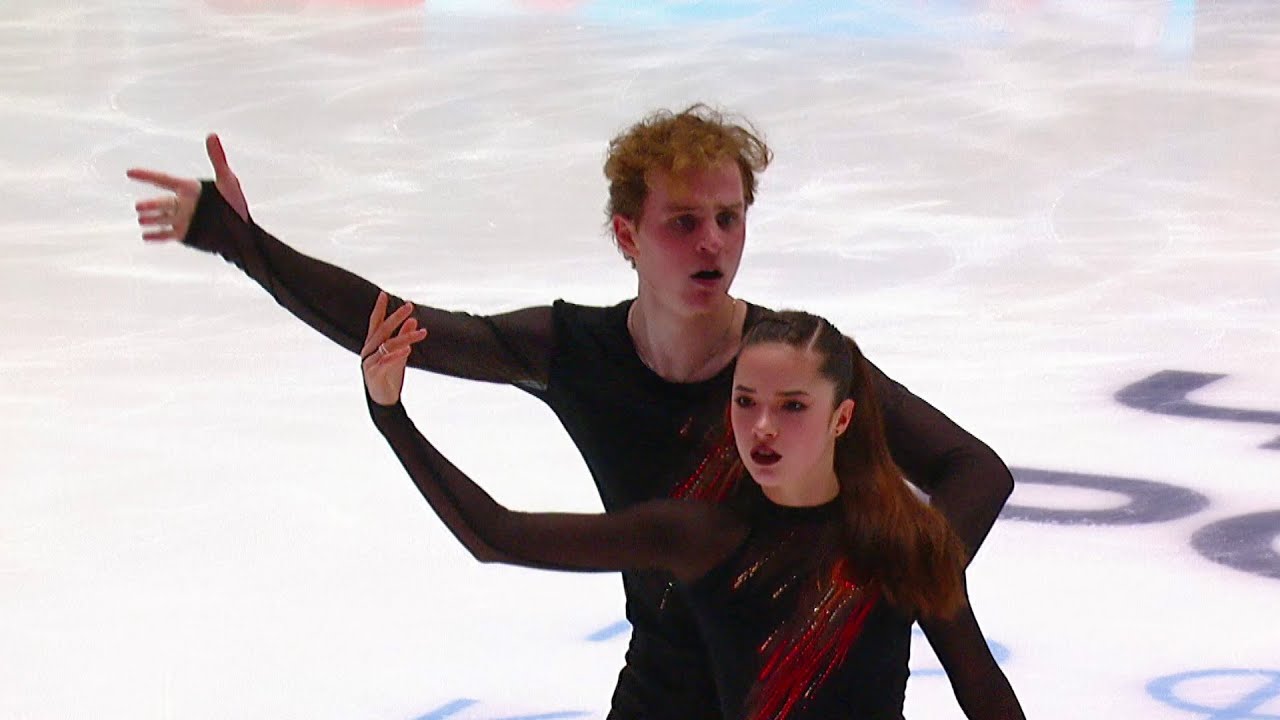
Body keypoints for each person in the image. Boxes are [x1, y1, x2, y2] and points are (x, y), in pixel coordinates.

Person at [126, 105, 1015, 719]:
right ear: (627, 235)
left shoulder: (796, 365)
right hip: (661, 699)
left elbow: (975, 471)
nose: (712, 241)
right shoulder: (574, 353)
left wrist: (874, 585)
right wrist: (242, 243)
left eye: (729, 217)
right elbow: (392, 327)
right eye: (682, 221)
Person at [362, 295, 1025, 719]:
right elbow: (497, 534)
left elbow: (983, 693)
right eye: (745, 401)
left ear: (842, 417)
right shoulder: (700, 535)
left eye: (792, 406)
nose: (762, 427)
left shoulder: (902, 543)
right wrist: (390, 414)